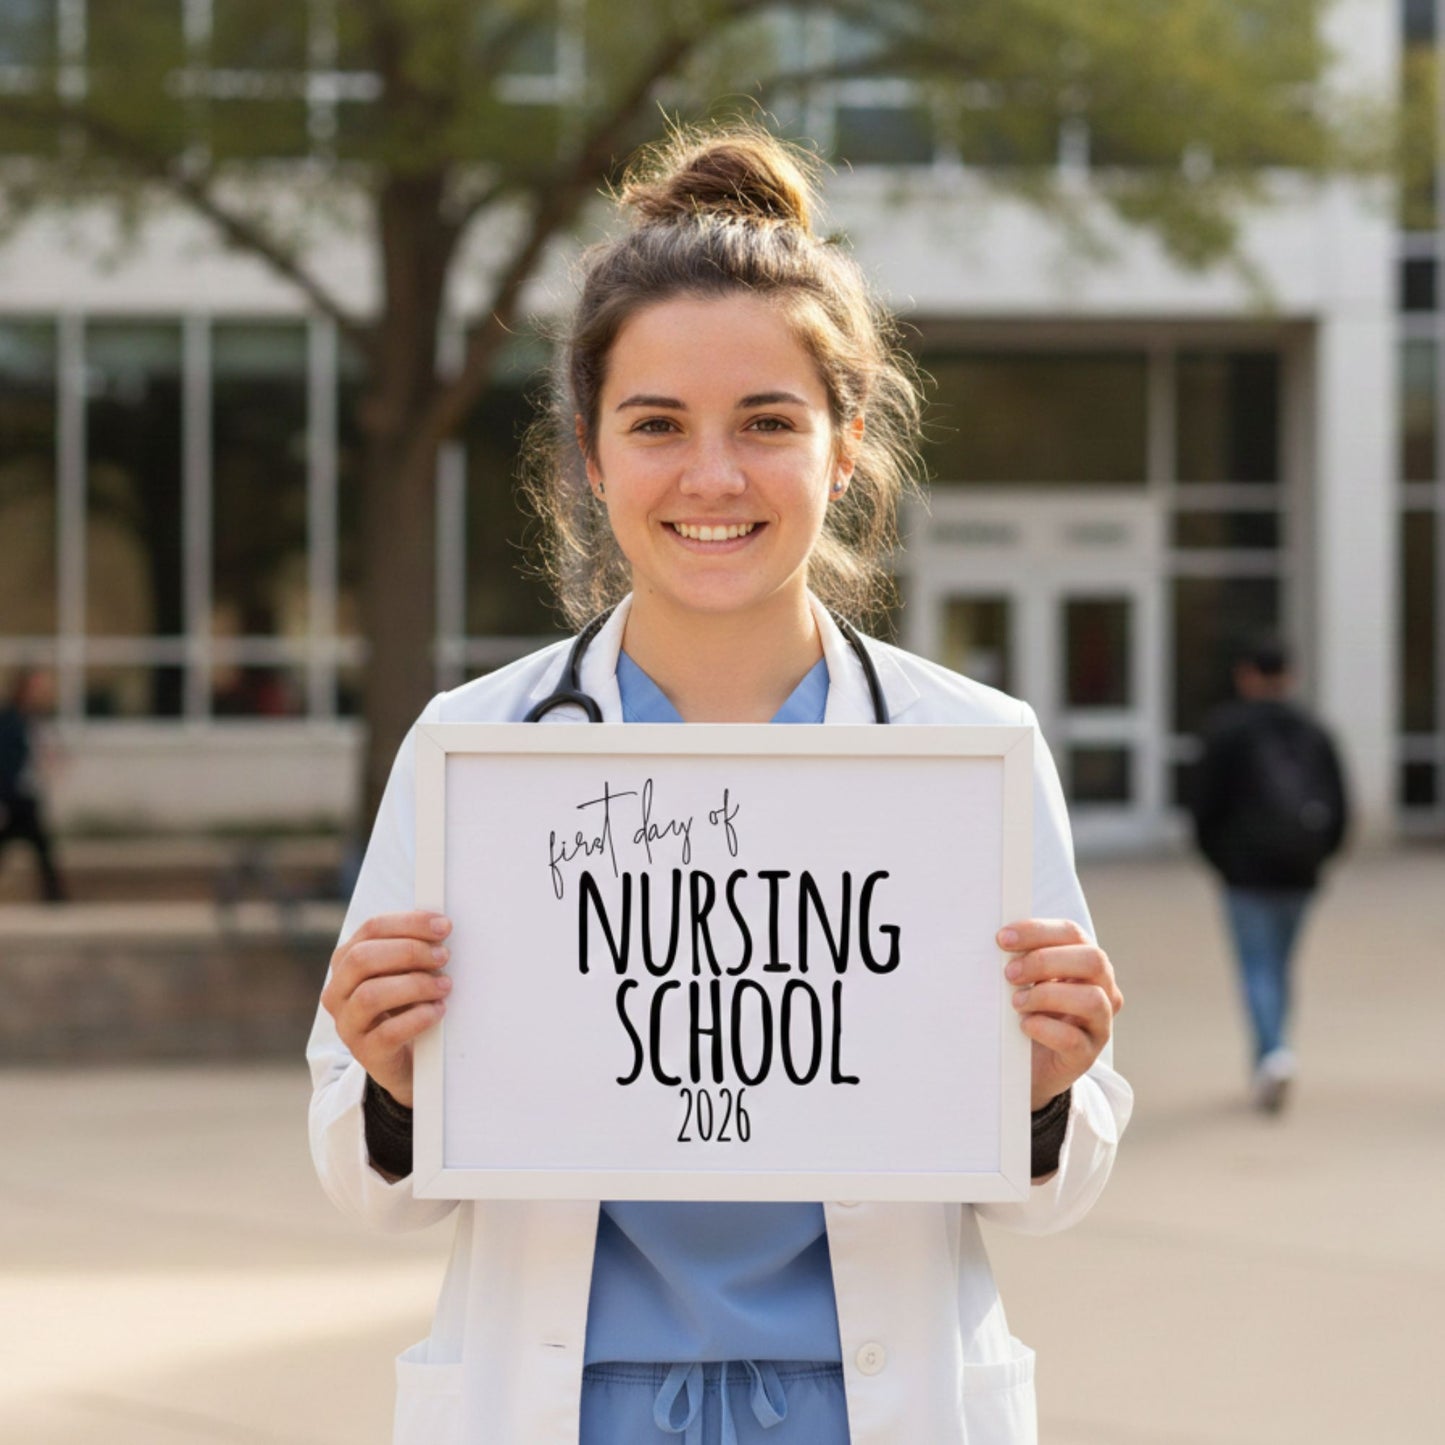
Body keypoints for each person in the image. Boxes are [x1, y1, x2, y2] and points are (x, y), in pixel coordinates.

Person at [308, 126, 1130, 1445]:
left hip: (871, 1405)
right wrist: (391, 1080)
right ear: (588, 450)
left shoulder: (966, 752)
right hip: (565, 1407)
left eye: (767, 423)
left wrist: (1044, 1084)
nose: (712, 476)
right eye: (656, 426)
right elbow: (374, 1186)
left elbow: (1044, 1189)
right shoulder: (480, 751)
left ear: (845, 442)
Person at [1189, 638, 1348, 1113]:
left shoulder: (1226, 730)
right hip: (1299, 871)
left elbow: (1202, 807)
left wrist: (1221, 861)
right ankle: (1273, 1050)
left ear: (1246, 675)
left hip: (1246, 871)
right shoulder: (1314, 730)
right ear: (1291, 675)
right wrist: (1320, 856)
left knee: (1257, 966)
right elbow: (1341, 805)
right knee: (1278, 964)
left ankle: (1272, 1053)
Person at [0, 668, 66, 903]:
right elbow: (5, 761)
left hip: (26, 795)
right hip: (16, 796)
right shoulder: (10, 720)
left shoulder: (32, 720)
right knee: (41, 846)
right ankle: (56, 897)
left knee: (40, 846)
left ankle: (55, 896)